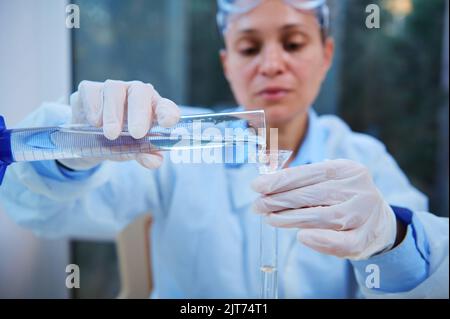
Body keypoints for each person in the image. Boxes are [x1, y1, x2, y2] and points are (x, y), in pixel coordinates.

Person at [0, 0, 448, 298]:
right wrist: (70, 149)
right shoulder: (171, 139)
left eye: (294, 43)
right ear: (226, 63)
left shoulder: (362, 159)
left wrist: (393, 239)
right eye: (249, 47)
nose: (272, 65)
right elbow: (39, 211)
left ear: (326, 54)